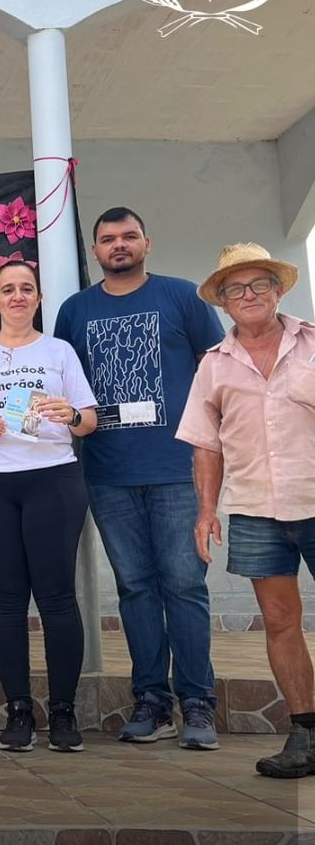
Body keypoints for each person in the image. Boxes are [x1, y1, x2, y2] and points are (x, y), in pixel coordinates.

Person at [54, 208, 224, 749]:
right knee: (136, 589)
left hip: (177, 469)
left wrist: (214, 450)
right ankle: (152, 700)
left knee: (184, 586)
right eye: (108, 239)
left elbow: (214, 373)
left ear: (147, 242)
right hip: (107, 473)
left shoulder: (184, 297)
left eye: (129, 236)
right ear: (96, 250)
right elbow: (63, 385)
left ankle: (197, 702)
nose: (119, 245)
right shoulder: (75, 310)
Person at [177, 243, 315, 778]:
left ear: (279, 292)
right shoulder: (214, 365)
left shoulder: (312, 345)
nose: (249, 295)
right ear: (225, 303)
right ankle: (305, 734)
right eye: (237, 289)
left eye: (260, 284)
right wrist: (206, 511)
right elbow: (206, 445)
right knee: (281, 622)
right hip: (256, 509)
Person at [0, 259, 98, 753]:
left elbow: (88, 421)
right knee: (6, 599)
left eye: (26, 289)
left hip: (53, 479)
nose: (17, 296)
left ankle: (62, 710)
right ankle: (18, 709)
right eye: (7, 289)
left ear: (37, 298)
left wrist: (70, 413)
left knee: (56, 597)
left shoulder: (59, 351)